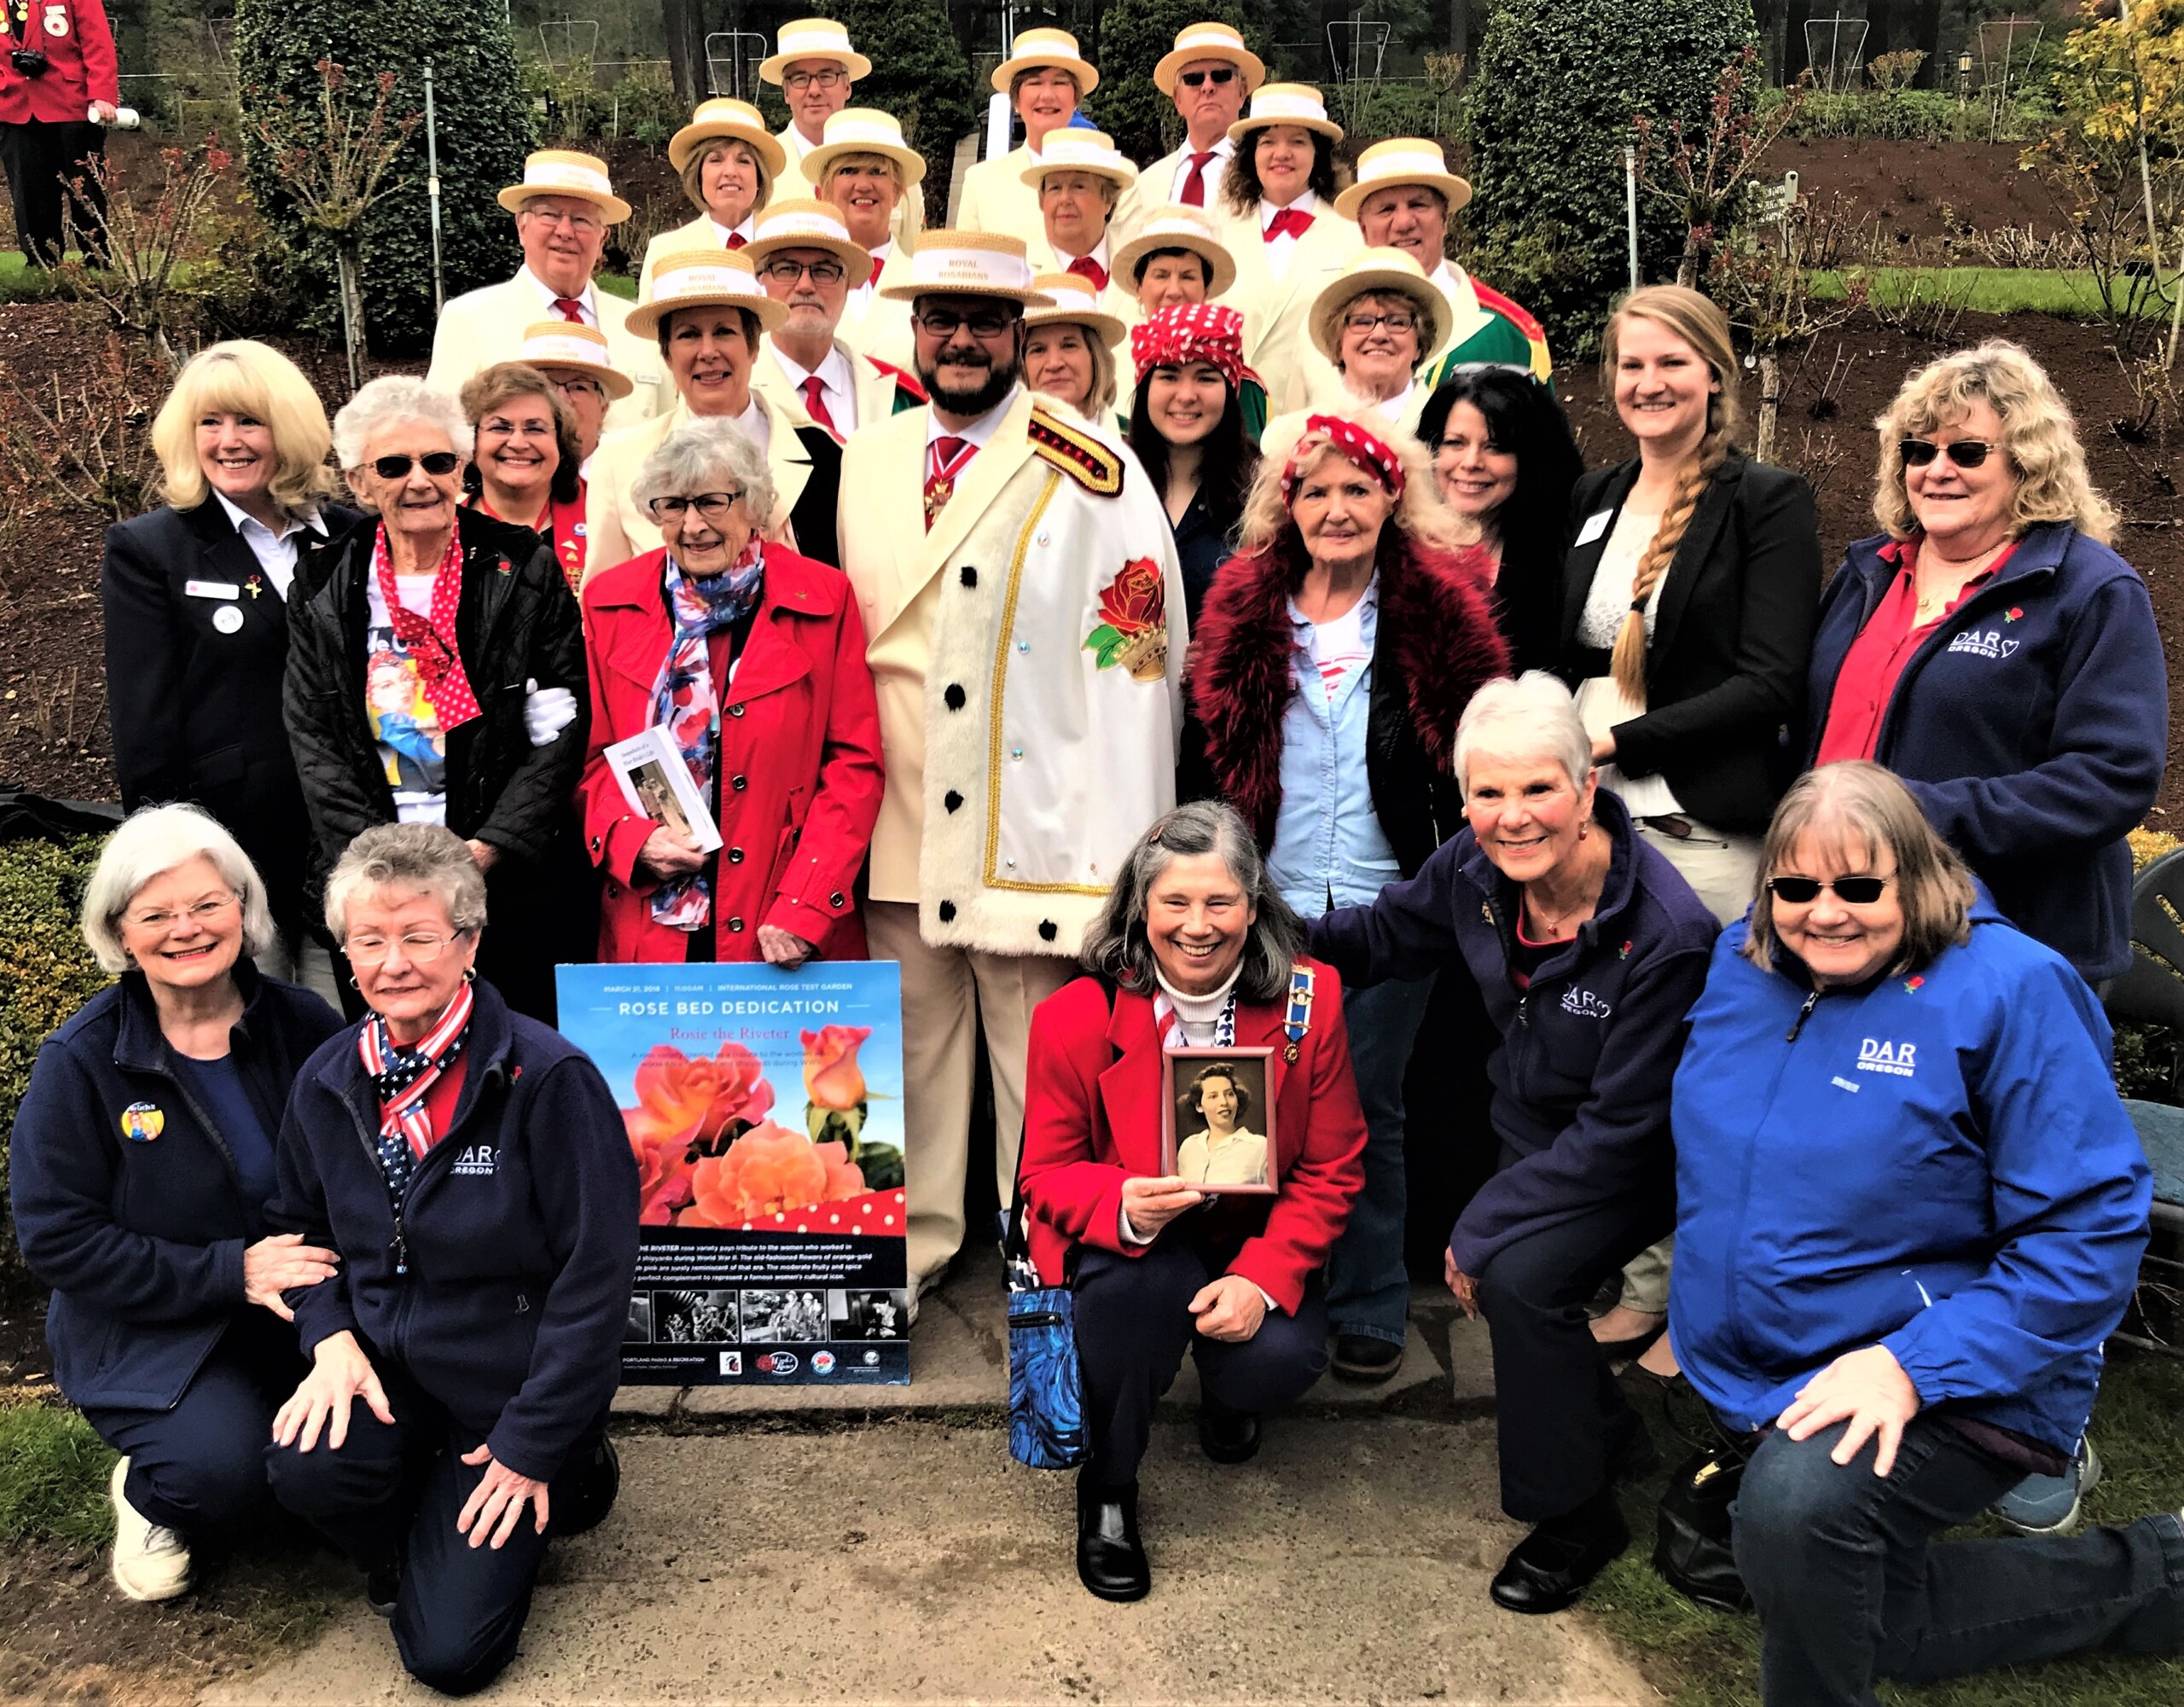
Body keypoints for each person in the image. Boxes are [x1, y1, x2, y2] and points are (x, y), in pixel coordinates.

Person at [1668, 761, 2180, 1705]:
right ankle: (2166, 1575)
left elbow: (2090, 1231)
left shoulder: (2011, 989)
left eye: (1860, 885)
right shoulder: (1741, 966)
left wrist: (1911, 1363)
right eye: (1796, 886)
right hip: (1788, 1355)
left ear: (1919, 875)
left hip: (1968, 1367)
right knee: (1874, 1618)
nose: (1825, 911)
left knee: (1792, 1516)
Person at [1310, 671, 1717, 1609]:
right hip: (1534, 1127)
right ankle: (1609, 1435)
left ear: (1586, 791)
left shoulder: (1666, 935)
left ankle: (1575, 1516)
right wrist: (1261, 930)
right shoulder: (1470, 867)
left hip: (1643, 1151)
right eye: (1489, 794)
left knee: (1519, 1283)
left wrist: (1480, 1224)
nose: (1513, 816)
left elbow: (1624, 1129)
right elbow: (1382, 935)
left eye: (1538, 789)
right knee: (1517, 1283)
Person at [836, 230, 1188, 1298]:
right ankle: (914, 1249)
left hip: (1025, 825)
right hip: (894, 810)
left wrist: (1123, 853)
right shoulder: (872, 454)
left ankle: (1046, 1248)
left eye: (985, 322)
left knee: (1038, 1072)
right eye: (939, 318)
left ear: (1022, 337)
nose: (960, 339)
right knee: (907, 1067)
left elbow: (1137, 666)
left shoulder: (1093, 465)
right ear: (911, 332)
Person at [263, 823, 637, 1696]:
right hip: (385, 1373)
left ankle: (571, 1476)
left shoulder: (547, 1079)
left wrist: (533, 1443)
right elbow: (295, 1224)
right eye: (369, 940)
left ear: (467, 941)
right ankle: (421, 1532)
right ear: (345, 951)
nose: (392, 962)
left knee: (448, 1658)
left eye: (418, 936)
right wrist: (328, 1337)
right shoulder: (326, 1080)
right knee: (302, 1465)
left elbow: (595, 1280)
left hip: (506, 1394)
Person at [1188, 407, 1507, 1384]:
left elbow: (1480, 738)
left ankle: (1367, 1297)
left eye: (1355, 490)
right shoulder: (1244, 602)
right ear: (1286, 503)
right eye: (1315, 490)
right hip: (1268, 896)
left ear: (1390, 498)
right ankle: (1249, 1282)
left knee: (1367, 1103)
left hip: (1389, 897)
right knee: (1241, 1100)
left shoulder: (1434, 607)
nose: (1336, 508)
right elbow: (1208, 745)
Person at [1559, 283, 1820, 1369]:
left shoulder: (1767, 500)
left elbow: (1770, 680)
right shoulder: (1596, 493)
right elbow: (1567, 657)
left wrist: (1621, 746)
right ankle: (1628, 1262)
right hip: (1591, 834)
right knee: (1602, 1066)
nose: (1647, 385)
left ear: (1713, 372)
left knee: (1697, 1077)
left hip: (1700, 836)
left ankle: (1679, 1293)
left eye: (1670, 364)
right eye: (1629, 366)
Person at [1020, 801, 1368, 1600]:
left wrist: (1263, 1276)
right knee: (1128, 1299)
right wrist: (1124, 1204)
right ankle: (1109, 1489)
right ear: (1142, 908)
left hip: (1252, 1235)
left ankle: (1226, 1387)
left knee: (1274, 1360)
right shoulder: (1074, 1015)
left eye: (1221, 901)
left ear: (1254, 904)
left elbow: (1336, 1163)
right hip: (1142, 1237)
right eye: (1175, 902)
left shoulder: (1309, 1003)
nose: (1198, 925)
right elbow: (1043, 1172)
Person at [9, 805, 343, 1603]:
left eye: (206, 904)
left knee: (349, 1458)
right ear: (122, 933)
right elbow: (56, 1238)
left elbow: (359, 1174)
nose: (185, 928)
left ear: (243, 908)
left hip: (301, 1303)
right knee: (226, 1481)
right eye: (155, 914)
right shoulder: (82, 1062)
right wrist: (231, 1270)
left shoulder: (306, 1024)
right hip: (155, 1329)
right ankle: (149, 1493)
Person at [1805, 340, 2167, 986]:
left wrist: (1919, 815)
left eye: (1967, 451)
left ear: (2027, 463)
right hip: (1849, 920)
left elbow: (2113, 778)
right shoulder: (1870, 573)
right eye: (1918, 450)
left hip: (2006, 941)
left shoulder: (2090, 590)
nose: (1936, 469)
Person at [283, 376, 588, 1025]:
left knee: (510, 1054)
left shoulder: (523, 564)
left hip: (502, 881)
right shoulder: (322, 579)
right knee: (395, 1056)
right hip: (373, 880)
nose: (418, 480)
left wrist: (487, 847)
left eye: (438, 461)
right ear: (361, 483)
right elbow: (315, 735)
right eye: (393, 466)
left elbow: (563, 722)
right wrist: (383, 866)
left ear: (462, 469)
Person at [102, 340, 358, 1001]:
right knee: (252, 1041)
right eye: (210, 423)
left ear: (290, 427)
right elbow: (146, 723)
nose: (229, 441)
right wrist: (164, 863)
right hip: (230, 851)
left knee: (347, 1041)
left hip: (349, 837)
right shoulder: (151, 550)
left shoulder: (351, 535)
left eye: (250, 421)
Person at [578, 417, 882, 963]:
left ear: (755, 504)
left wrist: (807, 902)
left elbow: (853, 766)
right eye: (672, 505)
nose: (692, 525)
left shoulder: (823, 598)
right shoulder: (610, 603)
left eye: (713, 502)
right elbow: (591, 760)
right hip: (650, 916)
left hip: (780, 914)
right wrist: (631, 840)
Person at [587, 248, 842, 571]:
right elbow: (604, 604)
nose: (707, 352)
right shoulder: (618, 460)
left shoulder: (825, 454)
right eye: (688, 335)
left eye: (724, 332)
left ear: (753, 348)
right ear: (667, 356)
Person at [427, 149, 665, 432]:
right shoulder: (467, 319)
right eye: (550, 215)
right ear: (521, 226)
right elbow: (438, 434)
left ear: (603, 237)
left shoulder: (640, 328)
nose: (565, 231)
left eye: (581, 219)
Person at [1338, 139, 1553, 387]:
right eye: (1386, 209)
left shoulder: (1506, 332)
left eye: (1419, 205)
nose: (1404, 222)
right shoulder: (1327, 327)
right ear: (1363, 228)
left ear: (1445, 219)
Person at [1418, 366, 1584, 674]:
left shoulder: (1565, 558)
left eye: (1495, 447)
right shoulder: (1397, 551)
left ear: (1529, 459)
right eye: (1455, 443)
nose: (1471, 463)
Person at [1217, 84, 1362, 416]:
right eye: (1268, 142)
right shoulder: (1218, 234)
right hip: (1230, 423)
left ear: (1317, 154)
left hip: (1316, 423)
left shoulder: (1352, 236)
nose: (1281, 153)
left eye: (1298, 141)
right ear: (1251, 155)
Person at [745, 196, 924, 444]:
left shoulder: (898, 398)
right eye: (787, 269)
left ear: (848, 285)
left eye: (823, 271)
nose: (805, 286)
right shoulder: (731, 390)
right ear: (760, 281)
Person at [1126, 304, 1260, 623]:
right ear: (1145, 388)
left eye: (1205, 377)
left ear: (1230, 390)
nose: (1186, 395)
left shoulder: (1263, 491)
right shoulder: (1110, 482)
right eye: (1169, 376)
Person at [759, 16, 921, 253]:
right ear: (785, 92)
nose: (814, 91)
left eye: (826, 77)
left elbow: (912, 259)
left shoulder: (895, 163)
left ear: (847, 86)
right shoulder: (760, 168)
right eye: (800, 79)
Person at [954, 27, 1098, 252]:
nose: (1048, 95)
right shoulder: (981, 182)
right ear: (1016, 100)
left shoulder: (1110, 179)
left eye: (1060, 83)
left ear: (1076, 98)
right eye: (1035, 83)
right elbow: (967, 280)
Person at [805, 107, 926, 374]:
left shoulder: (925, 284)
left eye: (877, 172)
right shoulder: (795, 284)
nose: (863, 184)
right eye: (848, 171)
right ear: (824, 191)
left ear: (897, 192)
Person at [1115, 21, 1264, 232]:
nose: (1208, 87)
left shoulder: (1266, 175)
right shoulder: (1146, 184)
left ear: (1242, 92)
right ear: (1177, 99)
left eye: (1221, 76)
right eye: (1193, 79)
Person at [457, 363, 589, 596]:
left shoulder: (602, 516)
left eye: (535, 429)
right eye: (500, 427)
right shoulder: (445, 529)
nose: (518, 443)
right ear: (471, 441)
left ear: (560, 441)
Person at [0, 0, 114, 265]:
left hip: (71, 106)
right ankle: (41, 264)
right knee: (29, 195)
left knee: (86, 191)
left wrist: (102, 94)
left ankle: (97, 259)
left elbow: (97, 41)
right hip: (15, 108)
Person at [636, 98, 785, 299]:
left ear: (760, 175)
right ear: (698, 174)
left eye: (743, 161)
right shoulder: (665, 252)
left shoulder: (784, 246)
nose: (731, 172)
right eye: (716, 160)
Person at [1292, 247, 1443, 437]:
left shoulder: (1448, 433)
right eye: (1362, 322)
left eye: (1397, 322)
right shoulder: (1293, 437)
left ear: (1419, 345)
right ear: (1338, 345)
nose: (1379, 335)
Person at [1022, 126, 1136, 304]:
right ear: (1042, 200)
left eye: (1079, 186)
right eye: (1055, 188)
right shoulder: (1018, 274)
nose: (1065, 199)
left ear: (1108, 200)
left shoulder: (1140, 266)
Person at [513, 319, 632, 470]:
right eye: (546, 385)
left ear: (603, 409)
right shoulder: (501, 481)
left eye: (578, 387)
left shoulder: (629, 479)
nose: (561, 398)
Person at [1022, 270, 1125, 421]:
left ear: (1095, 357)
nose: (1054, 364)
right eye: (1038, 350)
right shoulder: (995, 441)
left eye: (1069, 346)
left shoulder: (1132, 440)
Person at [1112, 205, 1238, 322]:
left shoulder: (1230, 345)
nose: (1174, 291)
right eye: (1161, 276)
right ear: (1138, 288)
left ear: (1205, 291)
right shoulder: (1115, 346)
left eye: (1188, 277)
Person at [1173, 1060, 1269, 1187]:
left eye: (1229, 1094)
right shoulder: (1188, 1147)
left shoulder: (1260, 1147)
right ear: (1199, 1106)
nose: (1224, 1102)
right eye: (1213, 1096)